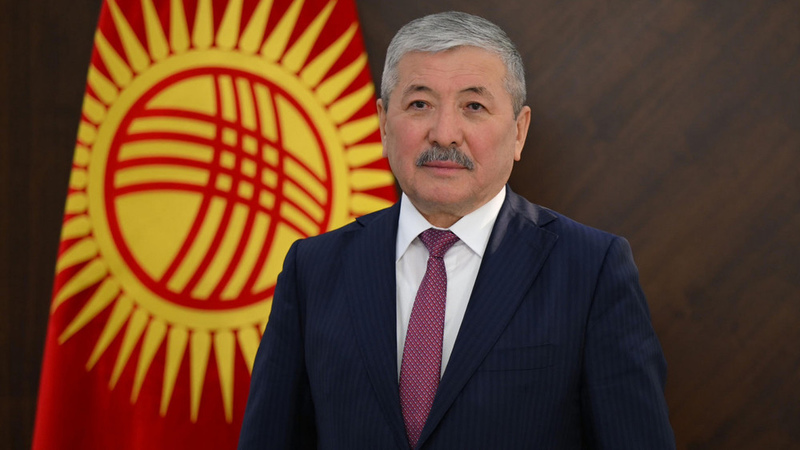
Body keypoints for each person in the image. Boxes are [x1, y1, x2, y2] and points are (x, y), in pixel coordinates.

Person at [238, 11, 675, 450]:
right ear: (384, 124)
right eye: (420, 104)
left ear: (519, 131)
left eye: (473, 106)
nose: (445, 134)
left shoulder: (591, 271)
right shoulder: (313, 269)